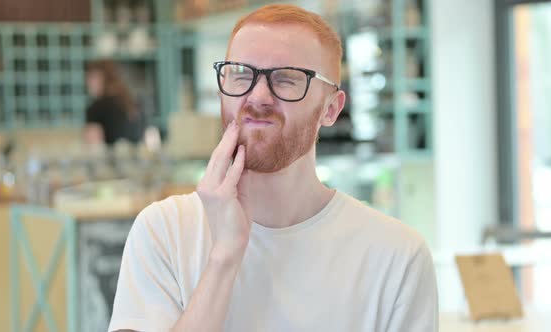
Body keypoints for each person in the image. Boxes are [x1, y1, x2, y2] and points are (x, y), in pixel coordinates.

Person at [109, 4, 438, 332]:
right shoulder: (162, 231)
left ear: (331, 109)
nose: (259, 95)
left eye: (286, 79)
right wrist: (224, 258)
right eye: (240, 74)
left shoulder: (397, 257)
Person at [84, 59, 145, 145]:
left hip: (110, 158)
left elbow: (93, 145)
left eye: (91, 77)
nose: (87, 82)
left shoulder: (97, 107)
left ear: (103, 78)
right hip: (136, 157)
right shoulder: (133, 102)